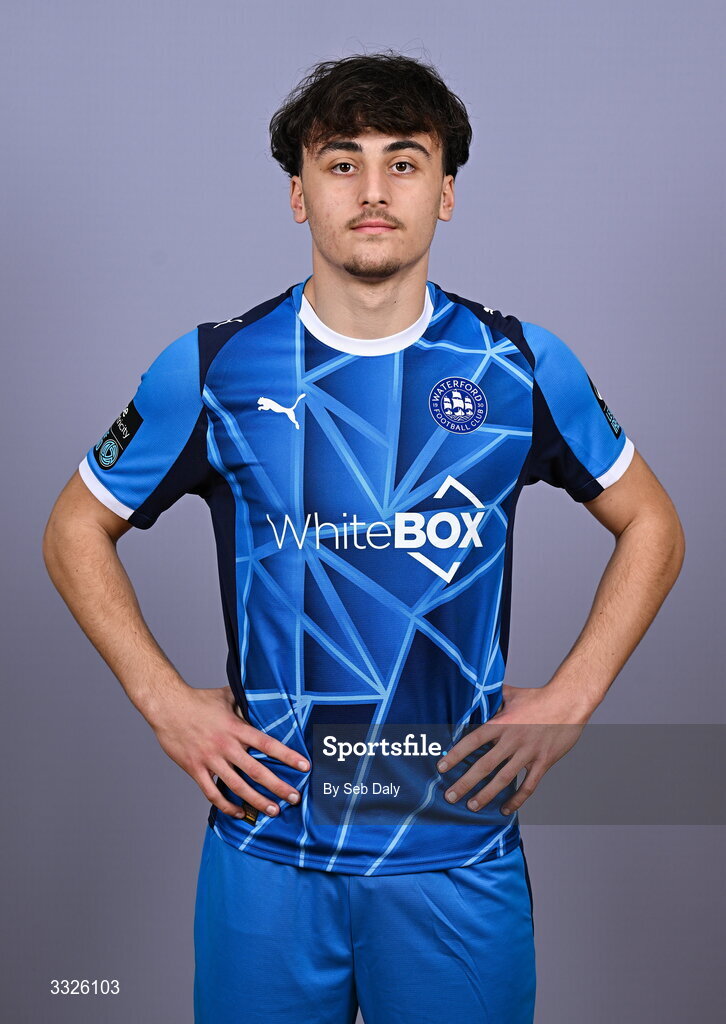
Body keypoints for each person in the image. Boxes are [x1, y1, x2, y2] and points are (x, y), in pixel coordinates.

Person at [42, 50, 685, 1024]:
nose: (374, 190)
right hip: (268, 855)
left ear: (446, 193)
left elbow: (653, 523)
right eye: (341, 162)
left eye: (404, 160)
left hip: (454, 853)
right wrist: (164, 701)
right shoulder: (214, 368)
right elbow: (74, 527)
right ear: (299, 194)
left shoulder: (517, 366)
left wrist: (572, 696)